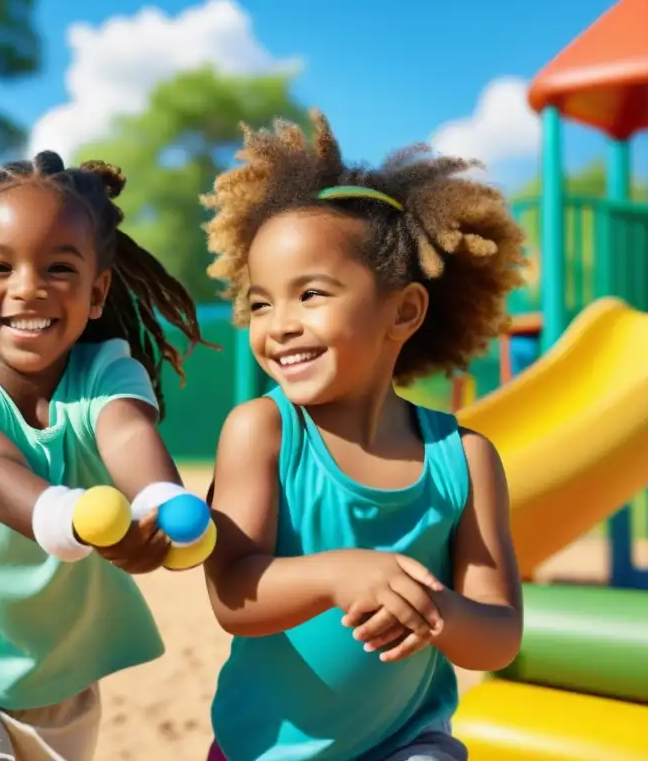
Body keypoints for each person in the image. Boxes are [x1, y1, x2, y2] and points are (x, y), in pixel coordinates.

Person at [200, 111, 526, 761]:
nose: (279, 325)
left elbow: (499, 634)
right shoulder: (260, 431)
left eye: (311, 294)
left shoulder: (463, 458)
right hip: (258, 749)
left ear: (403, 311)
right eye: (261, 303)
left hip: (405, 744)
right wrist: (339, 574)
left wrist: (439, 614)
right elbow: (233, 595)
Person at [0, 151, 207, 761]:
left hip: (62, 684)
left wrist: (162, 502)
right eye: (0, 266)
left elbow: (128, 434)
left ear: (96, 292)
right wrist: (65, 516)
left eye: (60, 268)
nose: (28, 287)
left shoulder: (108, 373)